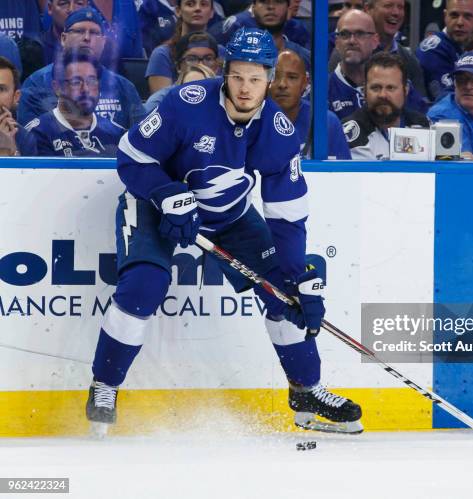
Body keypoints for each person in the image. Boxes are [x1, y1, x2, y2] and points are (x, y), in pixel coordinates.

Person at [85, 27, 363, 435]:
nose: (245, 88)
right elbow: (131, 159)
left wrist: (296, 278)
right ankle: (104, 385)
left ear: (270, 78)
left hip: (228, 215)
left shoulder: (278, 133)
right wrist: (165, 192)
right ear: (224, 73)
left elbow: (286, 217)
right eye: (237, 76)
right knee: (143, 286)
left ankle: (306, 389)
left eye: (255, 79)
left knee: (284, 292)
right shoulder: (186, 104)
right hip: (152, 204)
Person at [18, 8, 145, 130]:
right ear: (63, 38)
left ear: (103, 42)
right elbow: (29, 139)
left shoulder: (124, 87)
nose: (87, 38)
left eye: (94, 33)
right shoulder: (36, 83)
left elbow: (139, 137)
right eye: (79, 31)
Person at [329, 9, 428, 122]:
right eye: (345, 34)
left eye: (360, 34)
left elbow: (423, 126)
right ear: (337, 43)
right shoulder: (321, 90)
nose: (352, 41)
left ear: (375, 41)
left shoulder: (399, 86)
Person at [26, 51, 123, 157]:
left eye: (91, 81)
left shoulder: (116, 133)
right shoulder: (37, 133)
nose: (85, 89)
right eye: (76, 82)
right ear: (57, 87)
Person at [341, 51, 430, 160]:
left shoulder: (422, 124)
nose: (383, 95)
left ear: (405, 90)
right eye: (376, 88)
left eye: (390, 88)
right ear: (364, 91)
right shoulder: (350, 133)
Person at [270, 49, 350, 159]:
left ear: (305, 82)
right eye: (274, 77)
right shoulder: (251, 122)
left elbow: (341, 174)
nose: (282, 84)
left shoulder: (327, 122)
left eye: (292, 77)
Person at [416, 0, 473, 102]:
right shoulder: (433, 51)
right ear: (445, 16)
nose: (459, 22)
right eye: (454, 15)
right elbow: (450, 103)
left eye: (467, 16)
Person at [146, 0, 218, 94]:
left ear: (212, 12)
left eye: (203, 4)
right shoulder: (162, 54)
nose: (197, 8)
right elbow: (161, 101)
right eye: (190, 4)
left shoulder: (222, 52)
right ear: (178, 11)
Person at [209, 0, 310, 66]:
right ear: (253, 8)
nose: (271, 7)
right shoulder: (231, 59)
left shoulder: (304, 58)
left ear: (288, 8)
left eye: (278, 1)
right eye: (263, 1)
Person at [360, 0, 426, 98]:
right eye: (388, 6)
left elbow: (421, 107)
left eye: (400, 7)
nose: (396, 13)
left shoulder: (410, 60)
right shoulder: (351, 54)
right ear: (368, 9)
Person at [144, 32, 219, 112]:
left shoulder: (229, 96)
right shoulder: (160, 101)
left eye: (208, 59)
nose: (200, 64)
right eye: (192, 59)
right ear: (178, 66)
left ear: (217, 67)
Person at [0, 57, 36, 156]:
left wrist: (11, 151)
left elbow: (26, 171)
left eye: (1, 89)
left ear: (16, 97)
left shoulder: (25, 138)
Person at [42, 0, 89, 65]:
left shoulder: (101, 48)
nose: (71, 10)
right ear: (50, 8)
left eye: (79, 3)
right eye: (63, 3)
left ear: (88, 8)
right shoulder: (35, 49)